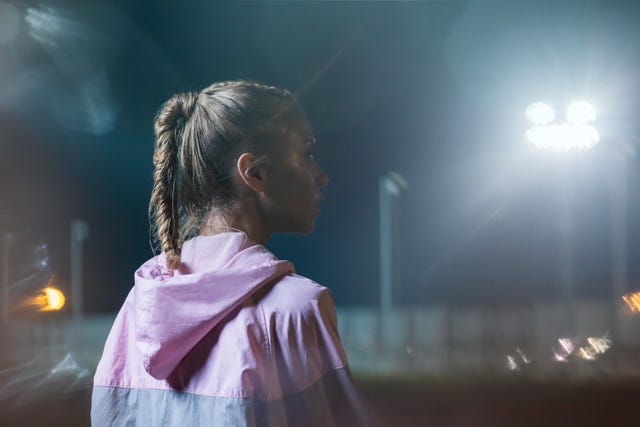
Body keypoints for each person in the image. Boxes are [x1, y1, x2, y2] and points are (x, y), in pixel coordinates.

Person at [91, 81, 380, 426]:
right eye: (306, 153)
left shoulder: (139, 307)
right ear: (254, 173)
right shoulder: (296, 310)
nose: (321, 176)